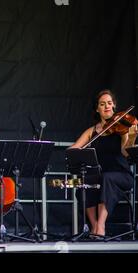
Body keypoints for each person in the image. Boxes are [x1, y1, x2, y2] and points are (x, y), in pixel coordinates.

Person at [70, 89, 137, 236]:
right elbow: (73, 149)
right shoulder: (92, 131)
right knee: (84, 182)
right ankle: (94, 226)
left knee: (106, 178)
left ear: (114, 106)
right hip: (100, 176)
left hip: (121, 175)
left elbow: (126, 153)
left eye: (109, 103)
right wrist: (73, 151)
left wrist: (130, 137)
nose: (107, 106)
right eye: (102, 104)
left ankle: (101, 226)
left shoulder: (122, 128)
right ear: (97, 109)